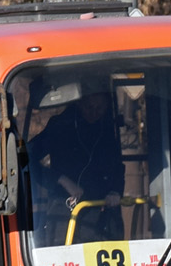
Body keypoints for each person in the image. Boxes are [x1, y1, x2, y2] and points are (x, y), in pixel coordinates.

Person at [34, 83, 125, 242]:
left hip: (102, 215)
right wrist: (61, 179)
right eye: (90, 107)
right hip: (63, 213)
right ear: (79, 103)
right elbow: (27, 160)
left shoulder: (107, 128)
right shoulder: (60, 126)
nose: (94, 113)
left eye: (100, 108)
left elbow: (118, 167)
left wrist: (116, 191)